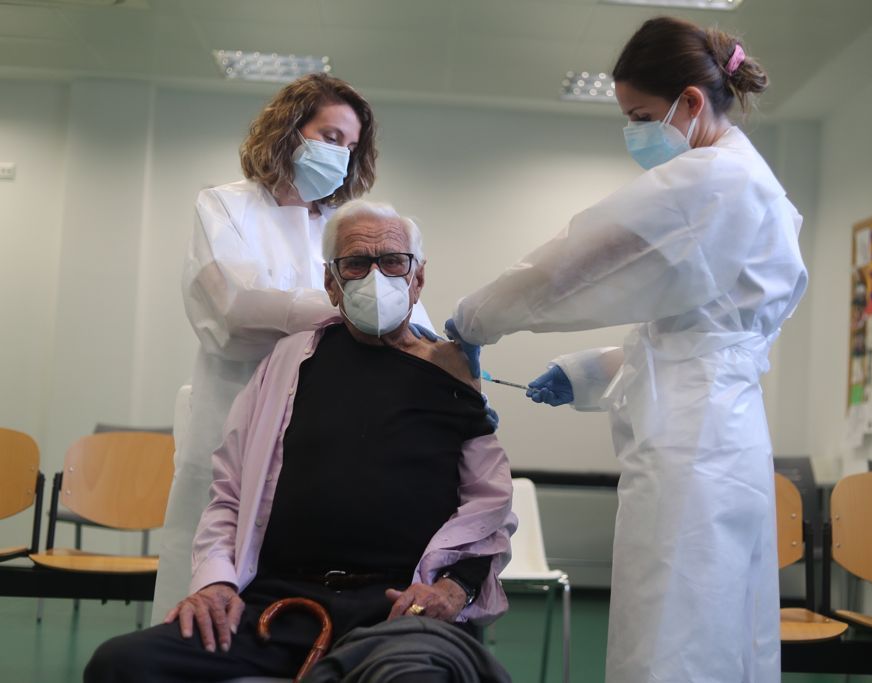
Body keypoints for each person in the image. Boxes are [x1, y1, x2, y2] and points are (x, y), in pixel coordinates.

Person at [445, 17, 807, 683]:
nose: (634, 132)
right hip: (725, 435)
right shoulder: (760, 187)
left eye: (641, 115)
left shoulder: (711, 180)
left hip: (694, 451)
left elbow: (571, 265)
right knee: (720, 630)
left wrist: (474, 319)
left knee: (674, 635)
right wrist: (588, 373)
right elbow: (703, 335)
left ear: (691, 103)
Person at [86, 201, 516, 683]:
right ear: (331, 283)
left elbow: (491, 507)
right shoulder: (289, 363)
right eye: (355, 263)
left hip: (398, 614)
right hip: (275, 606)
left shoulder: (451, 372)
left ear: (417, 278)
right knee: (121, 664)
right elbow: (229, 494)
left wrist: (454, 589)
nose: (376, 276)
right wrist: (216, 582)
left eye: (393, 261)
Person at [153, 73, 435, 621]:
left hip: (325, 435)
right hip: (233, 420)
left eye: (350, 147)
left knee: (302, 602)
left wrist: (445, 349)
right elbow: (232, 312)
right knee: (208, 591)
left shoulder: (345, 225)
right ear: (288, 129)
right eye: (330, 137)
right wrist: (351, 307)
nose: (341, 155)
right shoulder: (225, 207)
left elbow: (407, 316)